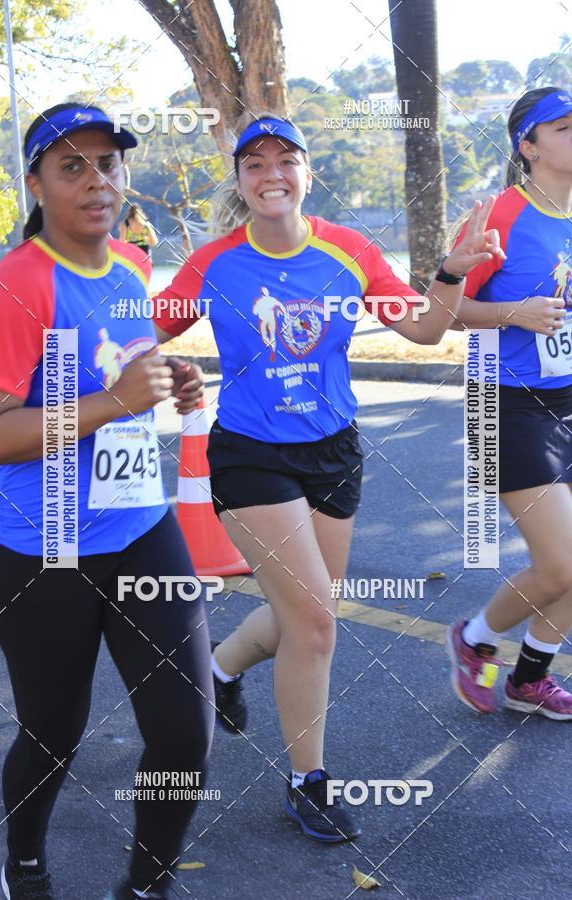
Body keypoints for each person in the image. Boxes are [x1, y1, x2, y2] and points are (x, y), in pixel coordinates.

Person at [152, 114, 504, 842]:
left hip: (334, 451)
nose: (271, 173)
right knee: (314, 622)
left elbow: (424, 330)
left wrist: (450, 271)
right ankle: (308, 783)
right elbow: (137, 335)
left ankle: (217, 670)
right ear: (240, 181)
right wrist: (139, 359)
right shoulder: (213, 264)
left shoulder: (350, 250)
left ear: (306, 174)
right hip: (251, 455)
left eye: (286, 159)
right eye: (255, 163)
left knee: (306, 611)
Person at [0, 103, 213, 900]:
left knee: (184, 733)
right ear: (36, 184)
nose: (96, 181)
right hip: (46, 548)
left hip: (142, 528)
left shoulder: (132, 266)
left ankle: (146, 886)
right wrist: (113, 402)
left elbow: (121, 365)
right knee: (52, 733)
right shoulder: (19, 283)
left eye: (108, 163)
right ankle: (24, 863)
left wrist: (167, 379)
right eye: (71, 166)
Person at [446, 86, 572, 721]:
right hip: (506, 404)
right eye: (565, 128)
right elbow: (443, 311)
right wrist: (514, 313)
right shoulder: (499, 215)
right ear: (529, 146)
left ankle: (529, 680)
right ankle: (473, 640)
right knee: (561, 563)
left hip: (568, 397)